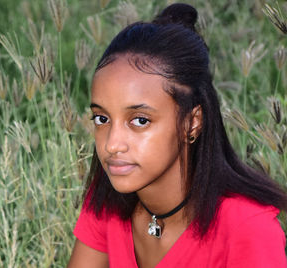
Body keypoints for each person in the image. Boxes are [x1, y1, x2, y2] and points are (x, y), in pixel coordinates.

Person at [67, 3, 287, 268]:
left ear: (191, 122)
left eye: (139, 120)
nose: (112, 144)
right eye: (102, 119)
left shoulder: (247, 227)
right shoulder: (107, 197)